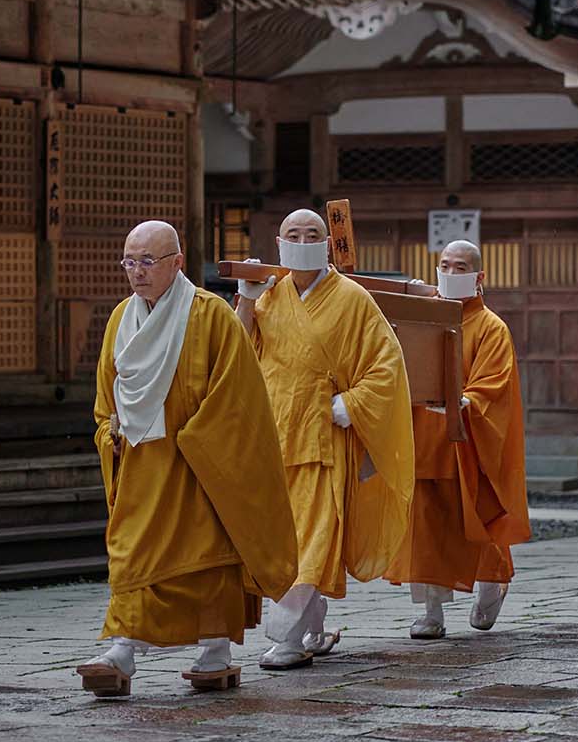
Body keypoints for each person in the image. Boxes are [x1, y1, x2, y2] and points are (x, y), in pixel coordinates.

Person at [76, 220, 298, 698]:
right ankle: (121, 648)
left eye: (147, 261)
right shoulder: (119, 319)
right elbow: (105, 400)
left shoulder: (210, 315)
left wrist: (199, 440)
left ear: (177, 262)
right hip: (140, 469)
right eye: (129, 261)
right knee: (133, 555)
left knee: (206, 556)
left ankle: (215, 649)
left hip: (199, 469)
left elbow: (239, 400)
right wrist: (108, 434)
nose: (136, 272)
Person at [232, 208, 413, 670]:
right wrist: (247, 299)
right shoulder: (269, 296)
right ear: (278, 242)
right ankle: (312, 625)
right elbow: (236, 354)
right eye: (293, 233)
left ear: (329, 244)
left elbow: (387, 364)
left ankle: (287, 639)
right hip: (275, 435)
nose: (303, 240)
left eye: (313, 234)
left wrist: (350, 405)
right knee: (281, 538)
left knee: (309, 539)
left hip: (323, 438)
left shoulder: (353, 298)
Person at [386, 238, 530, 637]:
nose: (450, 274)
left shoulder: (491, 327)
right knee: (426, 526)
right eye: (445, 266)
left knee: (480, 519)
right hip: (424, 434)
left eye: (460, 268)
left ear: (479, 276)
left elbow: (495, 386)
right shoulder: (427, 319)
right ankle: (431, 613)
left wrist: (464, 401)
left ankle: (490, 588)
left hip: (469, 438)